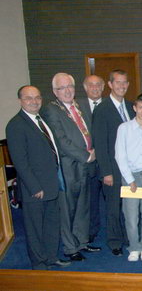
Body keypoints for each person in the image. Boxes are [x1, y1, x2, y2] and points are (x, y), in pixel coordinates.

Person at [6, 85, 71, 270]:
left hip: (52, 184)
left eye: (37, 97)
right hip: (35, 189)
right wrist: (35, 187)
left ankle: (50, 257)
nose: (34, 101)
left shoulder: (41, 120)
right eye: (28, 98)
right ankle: (39, 263)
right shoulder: (16, 125)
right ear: (20, 100)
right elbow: (20, 161)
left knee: (51, 224)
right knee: (35, 229)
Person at [41, 73, 100, 262]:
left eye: (70, 87)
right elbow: (61, 141)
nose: (67, 91)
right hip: (68, 168)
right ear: (54, 91)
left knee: (83, 207)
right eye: (62, 88)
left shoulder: (80, 105)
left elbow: (91, 131)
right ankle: (69, 247)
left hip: (85, 166)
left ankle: (82, 242)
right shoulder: (51, 110)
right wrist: (86, 156)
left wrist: (95, 152)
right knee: (68, 210)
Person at [92, 69, 135, 256]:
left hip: (130, 169)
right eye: (118, 82)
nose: (122, 86)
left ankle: (127, 236)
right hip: (112, 169)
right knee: (113, 208)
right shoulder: (102, 109)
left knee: (128, 206)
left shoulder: (131, 106)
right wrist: (106, 172)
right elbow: (100, 143)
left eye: (125, 82)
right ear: (110, 84)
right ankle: (115, 241)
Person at [115, 94, 142, 262]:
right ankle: (134, 247)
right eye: (140, 107)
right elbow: (120, 155)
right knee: (131, 216)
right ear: (134, 108)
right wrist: (129, 179)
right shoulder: (124, 128)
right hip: (130, 176)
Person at [78, 75, 105, 244]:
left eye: (98, 85)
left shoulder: (110, 104)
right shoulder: (76, 106)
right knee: (90, 199)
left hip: (108, 162)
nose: (94, 88)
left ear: (103, 87)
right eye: (91, 85)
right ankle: (91, 231)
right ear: (85, 87)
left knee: (113, 201)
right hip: (87, 161)